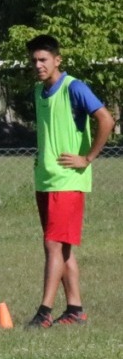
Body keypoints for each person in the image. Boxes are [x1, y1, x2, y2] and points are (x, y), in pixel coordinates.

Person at [23, 34, 114, 329]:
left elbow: (106, 119)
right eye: (34, 60)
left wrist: (87, 158)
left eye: (43, 59)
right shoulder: (38, 91)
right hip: (45, 179)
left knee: (53, 245)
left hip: (68, 181)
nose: (38, 65)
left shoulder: (74, 87)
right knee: (62, 249)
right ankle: (75, 309)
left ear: (57, 60)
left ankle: (44, 312)